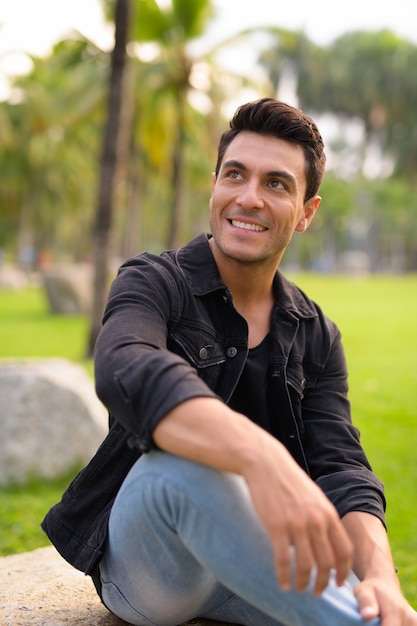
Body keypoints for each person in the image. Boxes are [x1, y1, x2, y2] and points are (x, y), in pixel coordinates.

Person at [42, 98, 417, 626]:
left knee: (373, 607)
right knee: (177, 467)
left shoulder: (316, 334)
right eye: (235, 175)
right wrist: (260, 459)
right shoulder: (154, 281)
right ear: (214, 185)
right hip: (155, 568)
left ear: (307, 212)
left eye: (277, 184)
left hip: (259, 561)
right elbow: (126, 367)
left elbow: (341, 467)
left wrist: (380, 575)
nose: (249, 198)